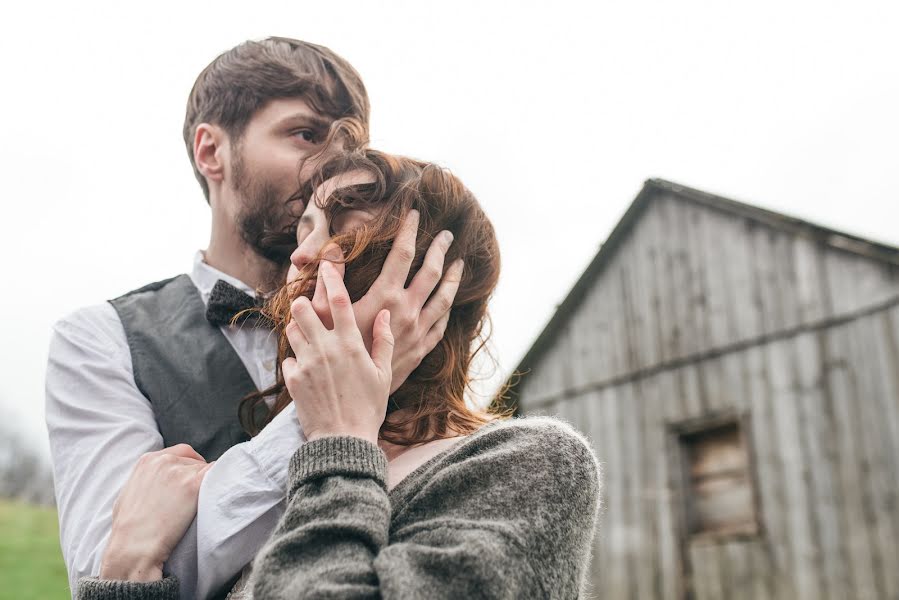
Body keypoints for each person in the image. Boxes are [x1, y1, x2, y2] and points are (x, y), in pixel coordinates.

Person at [75, 145, 602, 600]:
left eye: (341, 232)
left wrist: (341, 440)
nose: (300, 255)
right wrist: (127, 573)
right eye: (304, 229)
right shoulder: (279, 483)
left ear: (427, 278)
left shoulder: (531, 463)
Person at [46, 38, 460, 599]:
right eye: (306, 135)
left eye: (349, 145)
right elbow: (113, 570)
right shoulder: (98, 340)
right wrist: (338, 400)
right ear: (211, 152)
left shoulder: (409, 328)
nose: (330, 169)